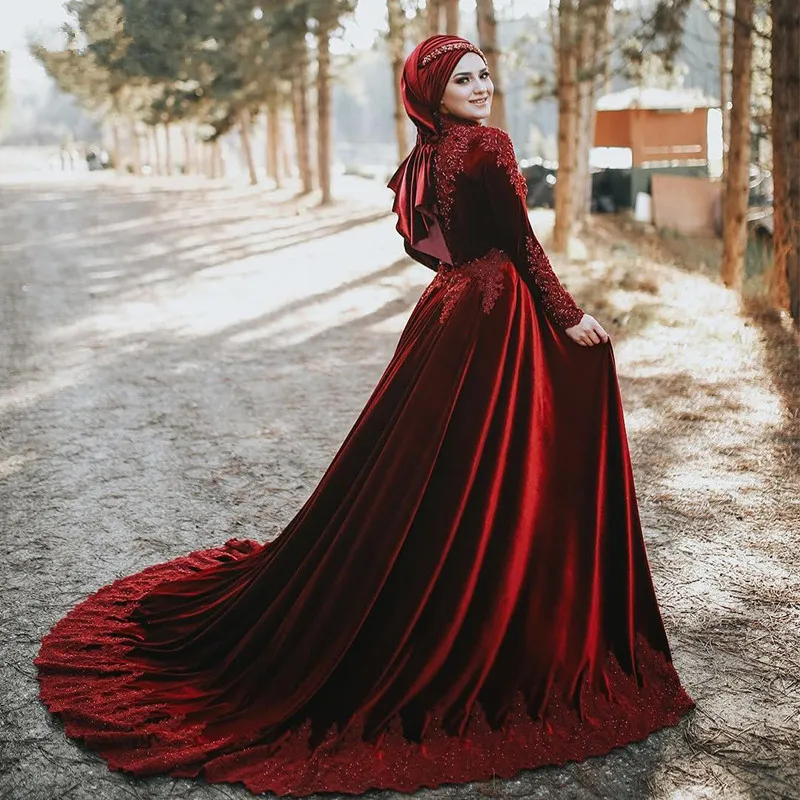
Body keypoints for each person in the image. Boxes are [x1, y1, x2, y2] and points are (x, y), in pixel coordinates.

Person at [36, 35, 694, 797]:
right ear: (433, 90)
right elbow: (522, 240)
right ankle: (492, 602)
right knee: (487, 462)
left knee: (433, 467)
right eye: (463, 78)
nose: (481, 87)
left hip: (450, 308)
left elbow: (433, 246)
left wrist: (474, 279)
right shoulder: (490, 146)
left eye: (485, 75)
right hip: (495, 312)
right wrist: (567, 315)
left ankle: (454, 579)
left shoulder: (426, 156)